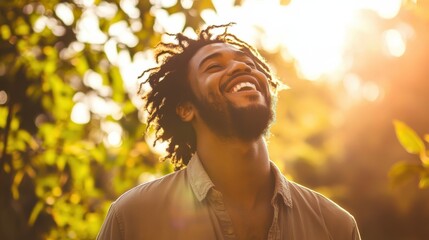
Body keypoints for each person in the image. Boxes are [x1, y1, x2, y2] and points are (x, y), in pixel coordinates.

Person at [97, 23, 361, 240]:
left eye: (248, 63)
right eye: (214, 66)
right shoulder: (133, 219)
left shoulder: (335, 226)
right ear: (186, 109)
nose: (241, 67)